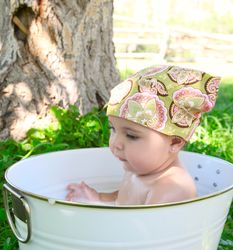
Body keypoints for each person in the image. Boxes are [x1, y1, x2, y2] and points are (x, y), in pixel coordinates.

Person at [66, 65, 220, 205]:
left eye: (131, 136)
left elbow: (142, 232)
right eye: (113, 129)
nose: (115, 143)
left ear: (174, 142)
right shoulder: (139, 167)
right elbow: (124, 198)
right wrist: (98, 199)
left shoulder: (169, 189)